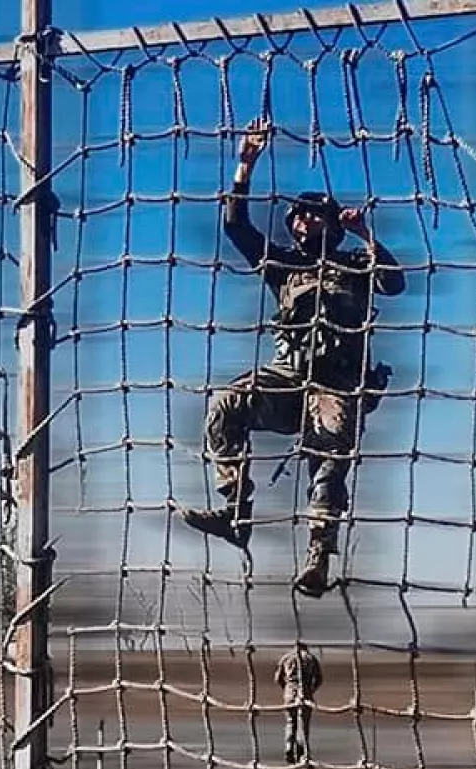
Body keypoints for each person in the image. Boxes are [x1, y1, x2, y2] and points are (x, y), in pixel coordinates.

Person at [181, 116, 406, 597]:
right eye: (297, 215)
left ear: (331, 224)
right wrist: (245, 164)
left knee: (329, 460)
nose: (304, 220)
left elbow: (394, 280)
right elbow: (235, 226)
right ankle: (235, 510)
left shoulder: (353, 264)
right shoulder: (282, 265)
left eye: (313, 213)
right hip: (287, 380)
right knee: (226, 404)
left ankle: (318, 559)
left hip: (336, 386)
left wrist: (366, 234)